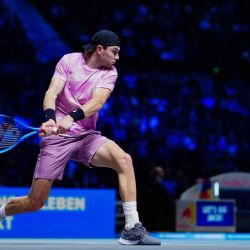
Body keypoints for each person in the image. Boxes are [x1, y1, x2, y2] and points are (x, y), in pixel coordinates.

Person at [0, 30, 161, 245]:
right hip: (57, 139)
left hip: (86, 136)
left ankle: (132, 227)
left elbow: (97, 102)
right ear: (100, 49)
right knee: (34, 202)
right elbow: (51, 92)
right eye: (115, 52)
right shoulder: (68, 60)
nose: (117, 57)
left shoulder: (110, 72)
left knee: (124, 160)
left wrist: (71, 118)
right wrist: (50, 118)